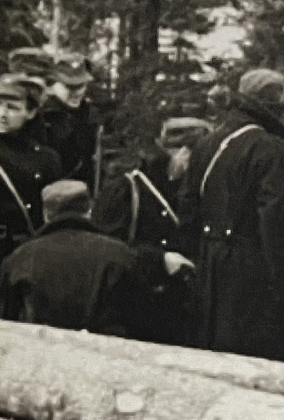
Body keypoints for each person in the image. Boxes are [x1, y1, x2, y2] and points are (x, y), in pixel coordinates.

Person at [176, 67, 284, 362]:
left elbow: (187, 210)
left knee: (209, 359)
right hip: (250, 277)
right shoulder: (271, 149)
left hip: (209, 270)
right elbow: (277, 227)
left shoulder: (207, 144)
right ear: (276, 107)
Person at [94, 116, 211, 344]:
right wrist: (160, 260)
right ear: (181, 152)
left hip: (182, 313)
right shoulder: (127, 189)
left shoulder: (195, 193)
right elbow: (104, 249)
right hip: (134, 310)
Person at [0, 180, 156, 339]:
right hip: (103, 351)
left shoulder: (19, 259)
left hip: (38, 350)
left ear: (46, 214)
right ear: (89, 210)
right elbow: (142, 324)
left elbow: (7, 328)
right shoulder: (121, 255)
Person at [0, 73, 62, 265]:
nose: (2, 113)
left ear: (31, 112)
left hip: (29, 253)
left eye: (12, 108)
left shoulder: (46, 158)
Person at [37, 53, 97, 188]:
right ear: (52, 85)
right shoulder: (43, 118)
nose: (77, 93)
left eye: (81, 86)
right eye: (69, 87)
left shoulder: (89, 114)